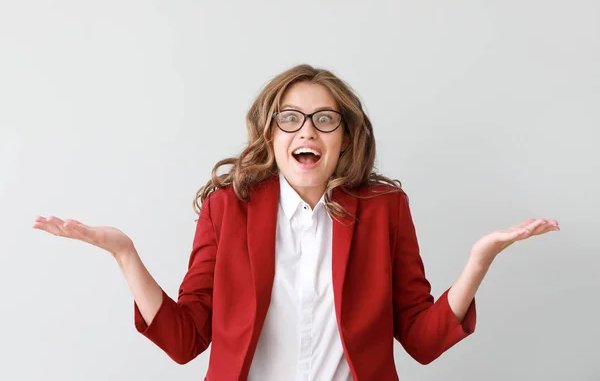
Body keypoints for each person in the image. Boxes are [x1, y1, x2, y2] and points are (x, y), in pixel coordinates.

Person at [33, 64, 559, 381]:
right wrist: (125, 254)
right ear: (271, 135)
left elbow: (421, 340)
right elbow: (185, 338)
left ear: (344, 138)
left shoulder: (382, 209)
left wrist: (479, 261)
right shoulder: (227, 208)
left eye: (324, 119)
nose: (307, 129)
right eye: (290, 117)